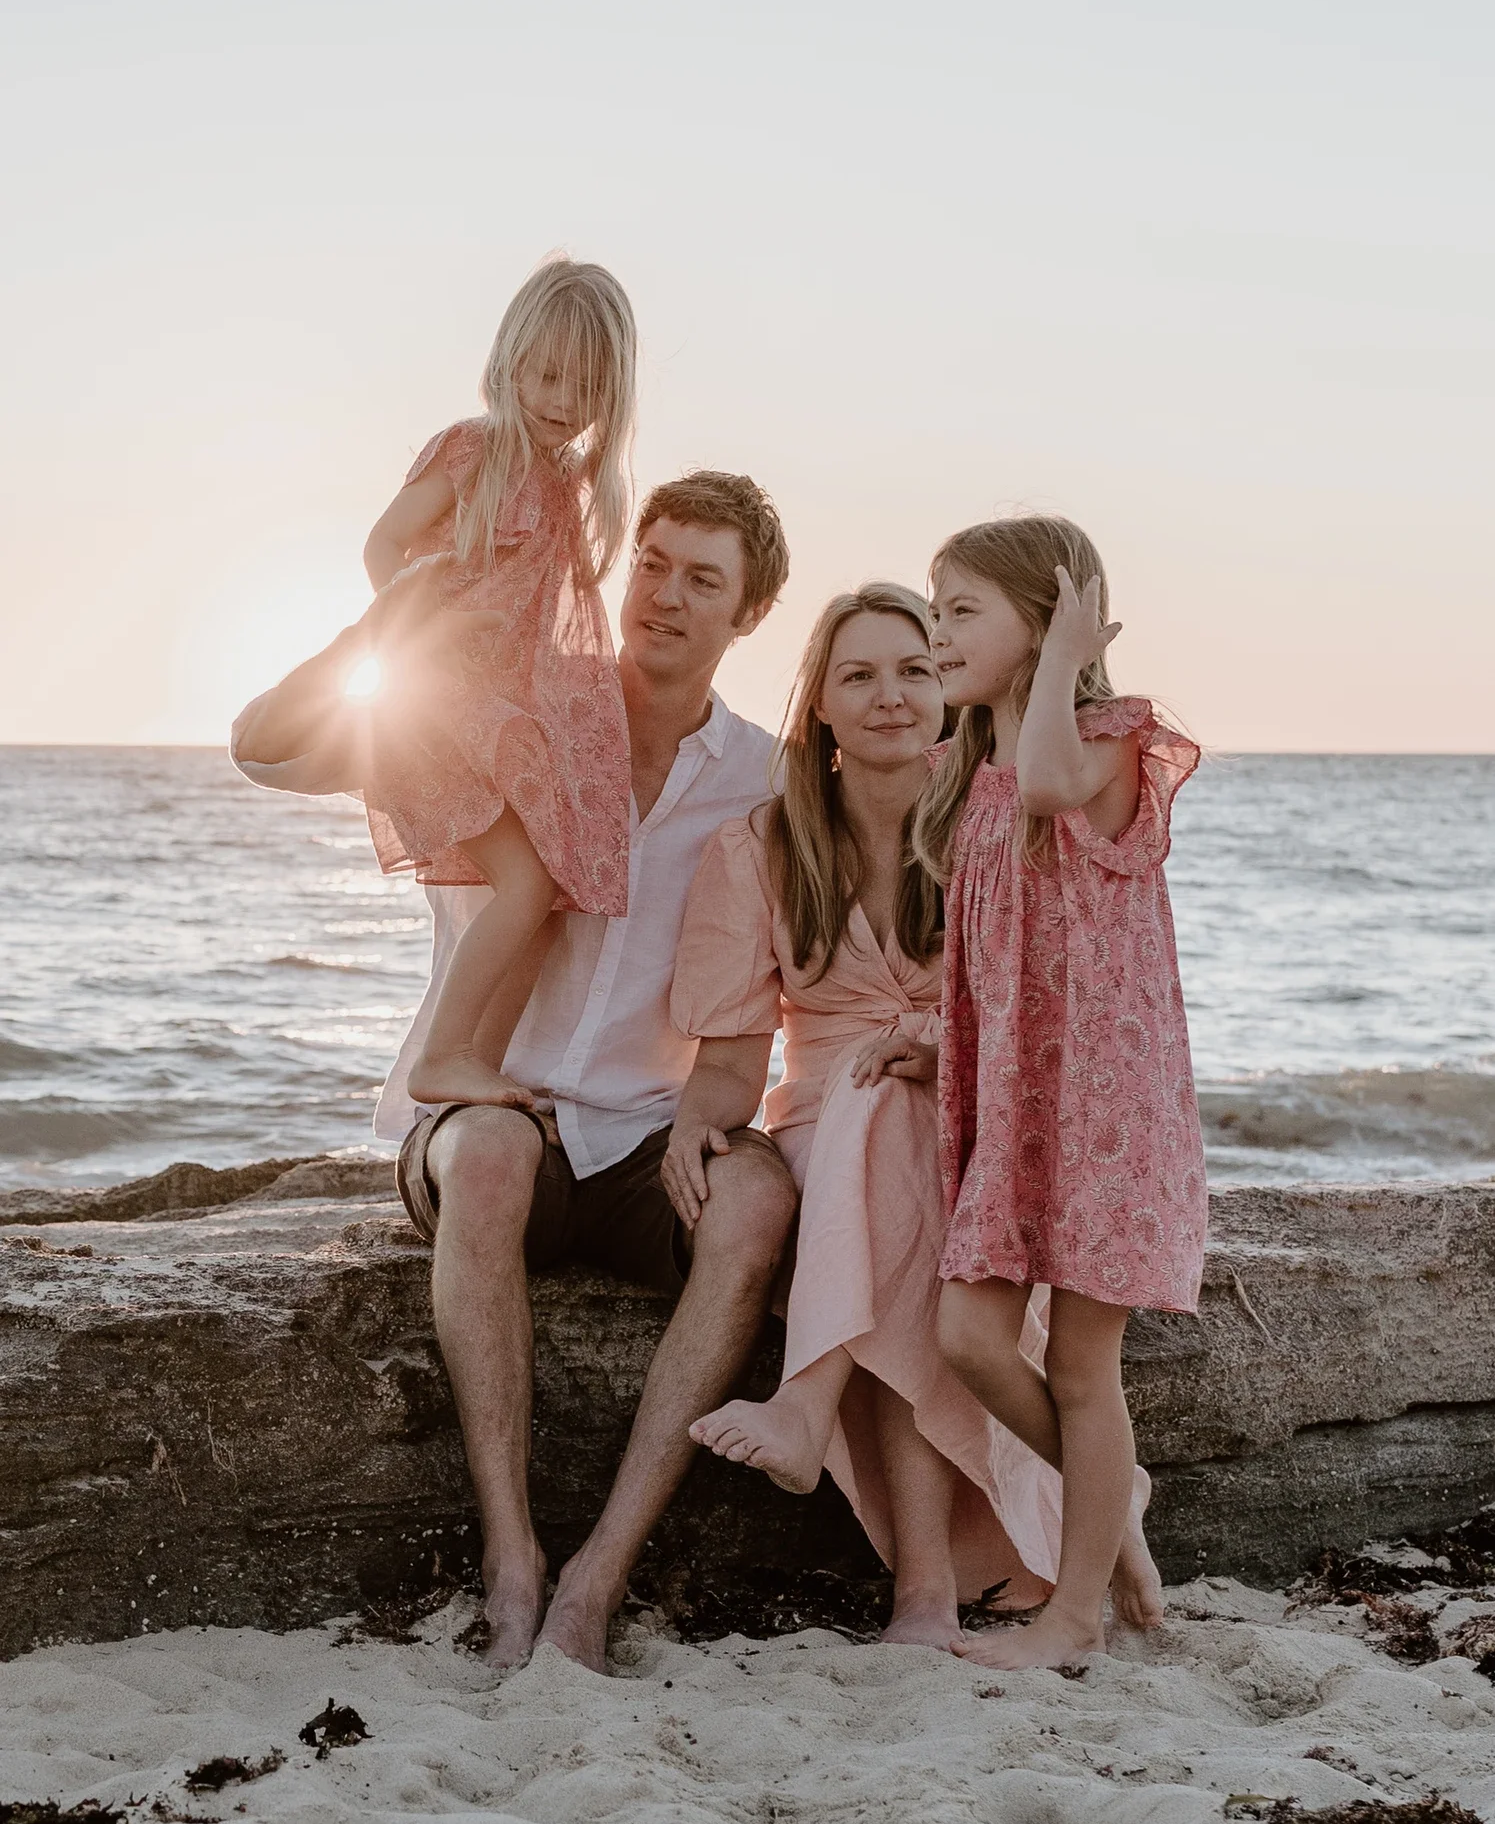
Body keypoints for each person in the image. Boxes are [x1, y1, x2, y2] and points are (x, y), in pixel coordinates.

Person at [234, 471, 796, 1673]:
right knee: (486, 1152)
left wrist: (723, 1111)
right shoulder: (525, 712)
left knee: (756, 1196)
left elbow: (805, 963)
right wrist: (382, 625)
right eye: (654, 562)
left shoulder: (770, 780)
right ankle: (512, 1553)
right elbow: (273, 754)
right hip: (497, 1117)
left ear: (748, 615)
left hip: (649, 1132)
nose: (668, 596)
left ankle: (601, 1572)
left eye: (706, 580)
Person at [672, 586, 1062, 1650]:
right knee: (874, 1108)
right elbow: (735, 1063)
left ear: (945, 693)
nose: (890, 695)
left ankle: (812, 1411)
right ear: (821, 708)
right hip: (820, 1124)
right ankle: (923, 1592)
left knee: (903, 1127)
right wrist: (690, 1127)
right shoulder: (759, 847)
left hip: (966, 1114)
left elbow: (1045, 1009)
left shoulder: (994, 817)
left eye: (913, 669)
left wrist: (948, 1047)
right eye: (859, 675)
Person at [913, 515, 1207, 1672]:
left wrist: (1061, 659)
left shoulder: (1108, 742)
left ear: (1046, 625)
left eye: (961, 610)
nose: (938, 631)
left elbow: (1045, 780)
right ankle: (1113, 1523)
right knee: (969, 1334)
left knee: (1082, 1366)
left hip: (1103, 1108)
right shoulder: (965, 773)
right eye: (936, 607)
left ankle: (1073, 1616)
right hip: (1016, 1101)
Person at [247, 256, 638, 1113]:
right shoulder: (475, 448)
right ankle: (442, 1061)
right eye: (544, 373)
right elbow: (382, 544)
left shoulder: (569, 486)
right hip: (436, 710)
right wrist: (421, 619)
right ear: (507, 361)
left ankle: (470, 1064)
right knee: (529, 884)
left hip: (494, 718)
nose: (561, 399)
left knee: (548, 884)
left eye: (585, 385)